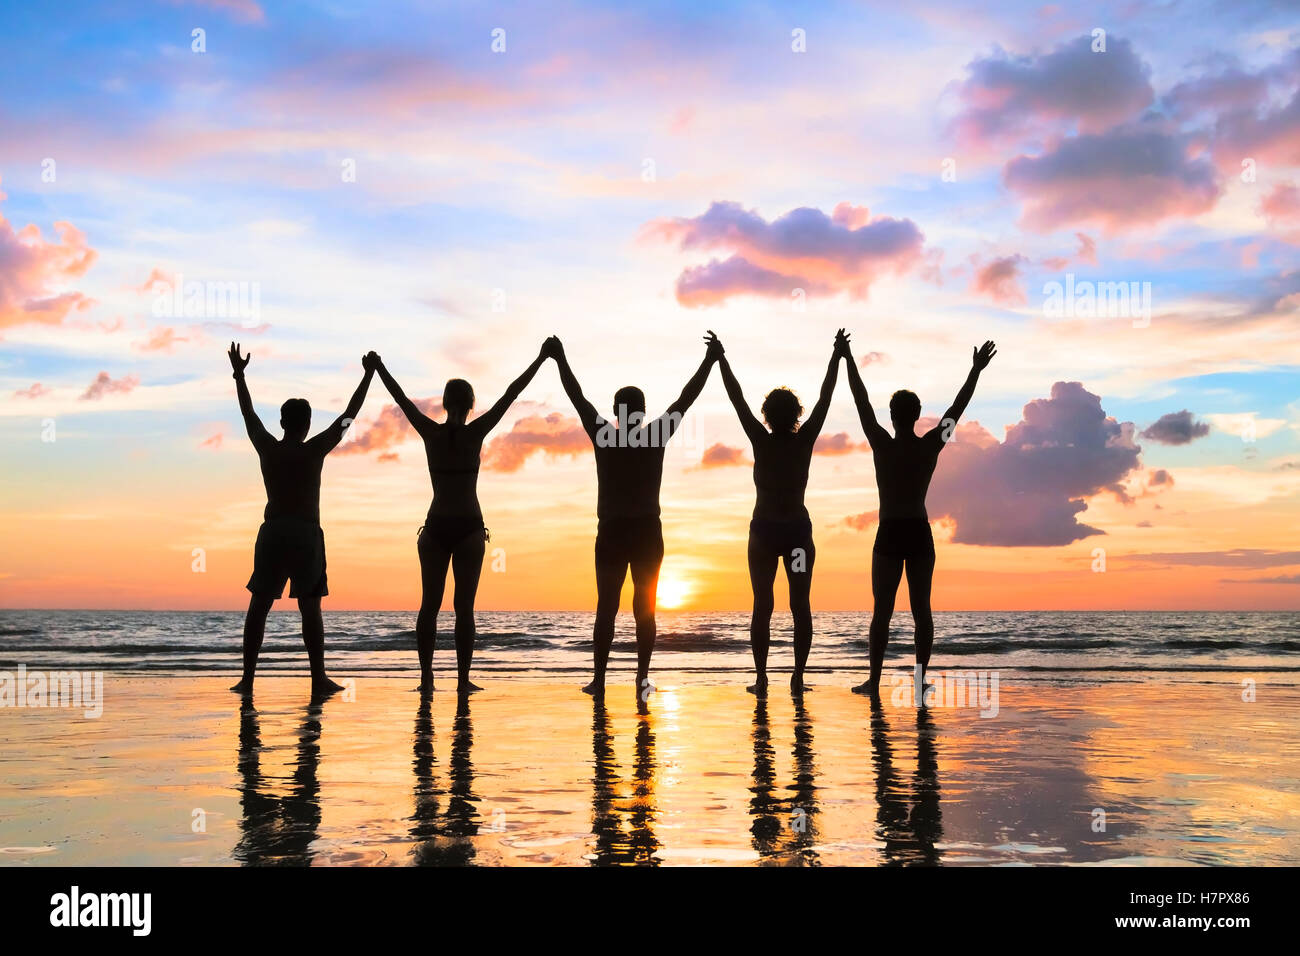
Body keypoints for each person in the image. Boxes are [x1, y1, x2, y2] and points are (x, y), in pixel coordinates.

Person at [545, 333, 719, 699]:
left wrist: (559, 358)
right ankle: (639, 678)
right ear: (640, 411)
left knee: (608, 608)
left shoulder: (605, 435)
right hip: (643, 532)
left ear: (617, 411)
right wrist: (710, 361)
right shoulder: (654, 435)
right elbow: (684, 400)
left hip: (614, 531)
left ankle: (601, 679)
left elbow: (577, 397)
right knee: (643, 609)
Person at [372, 345, 548, 694]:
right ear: (470, 405)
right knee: (463, 608)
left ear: (444, 403)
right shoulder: (473, 432)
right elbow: (511, 394)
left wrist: (379, 367)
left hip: (437, 528)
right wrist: (542, 359)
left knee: (430, 605)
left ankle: (427, 679)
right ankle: (462, 681)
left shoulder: (432, 432)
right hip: (466, 528)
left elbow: (402, 399)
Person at [842, 335, 998, 695]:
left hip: (892, 531)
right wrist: (975, 372)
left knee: (883, 609)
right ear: (914, 415)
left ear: (893, 416)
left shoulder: (881, 442)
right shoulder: (930, 445)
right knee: (920, 610)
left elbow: (861, 402)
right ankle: (918, 680)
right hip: (916, 531)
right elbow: (956, 411)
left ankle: (876, 681)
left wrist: (849, 357)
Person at [228, 342, 376, 697]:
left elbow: (248, 415)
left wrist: (239, 375)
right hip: (305, 535)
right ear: (307, 424)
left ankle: (248, 679)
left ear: (282, 423)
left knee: (259, 606)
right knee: (310, 608)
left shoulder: (269, 447)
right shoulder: (313, 450)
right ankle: (317, 679)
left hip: (274, 532)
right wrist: (368, 375)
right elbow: (348, 416)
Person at [713, 329, 846, 694]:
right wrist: (837, 356)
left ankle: (761, 678)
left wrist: (720, 359)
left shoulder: (762, 439)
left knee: (763, 605)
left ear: (768, 416)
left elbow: (737, 399)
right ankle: (797, 678)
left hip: (766, 535)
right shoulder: (804, 440)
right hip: (796, 536)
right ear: (796, 415)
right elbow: (826, 398)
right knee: (799, 604)